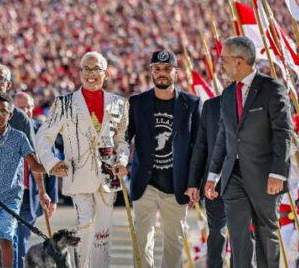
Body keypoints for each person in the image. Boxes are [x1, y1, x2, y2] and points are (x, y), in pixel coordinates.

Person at [34, 51, 129, 268]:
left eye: (96, 69)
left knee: (103, 234)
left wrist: (122, 161)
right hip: (78, 175)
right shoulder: (64, 103)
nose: (91, 74)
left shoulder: (120, 104)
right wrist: (51, 163)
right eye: (86, 69)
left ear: (106, 73)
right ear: (79, 73)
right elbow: (43, 136)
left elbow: (122, 141)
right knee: (84, 227)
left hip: (108, 178)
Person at [205, 36, 291, 268]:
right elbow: (224, 137)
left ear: (240, 61)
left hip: (265, 176)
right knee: (238, 234)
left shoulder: (273, 89)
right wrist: (213, 175)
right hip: (233, 175)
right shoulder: (228, 93)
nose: (220, 63)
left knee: (265, 232)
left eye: (224, 59)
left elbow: (282, 133)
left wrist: (278, 173)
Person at [126, 49, 201, 268]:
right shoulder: (137, 103)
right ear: (151, 71)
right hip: (145, 183)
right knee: (142, 241)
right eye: (157, 69)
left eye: (167, 69)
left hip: (177, 185)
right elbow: (124, 137)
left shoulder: (192, 103)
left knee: (174, 243)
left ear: (176, 72)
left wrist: (194, 182)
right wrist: (120, 160)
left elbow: (199, 147)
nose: (162, 73)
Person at [0, 92, 50, 267]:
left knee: (6, 236)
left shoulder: (19, 137)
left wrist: (53, 167)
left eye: (3, 112)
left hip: (10, 198)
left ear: (10, 115)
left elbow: (34, 165)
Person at [13, 91, 58, 268]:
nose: (25, 110)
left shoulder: (41, 131)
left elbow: (51, 165)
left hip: (29, 194)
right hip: (6, 193)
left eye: (28, 106)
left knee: (21, 239)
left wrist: (52, 196)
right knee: (4, 240)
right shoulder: (3, 129)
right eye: (20, 107)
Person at [186, 95, 228, 268]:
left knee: (245, 236)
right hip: (214, 182)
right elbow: (201, 146)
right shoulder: (211, 106)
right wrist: (194, 183)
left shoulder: (258, 100)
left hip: (247, 181)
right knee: (217, 234)